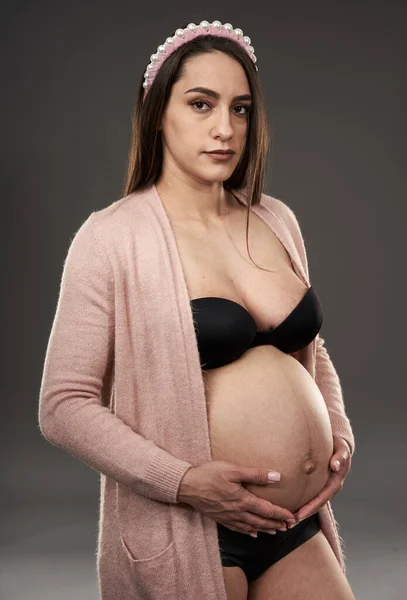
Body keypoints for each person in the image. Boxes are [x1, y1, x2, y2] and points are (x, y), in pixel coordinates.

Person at [38, 19, 356, 600]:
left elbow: (308, 349)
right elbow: (63, 405)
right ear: (158, 112)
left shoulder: (275, 220)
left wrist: (338, 431)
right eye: (201, 104)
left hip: (291, 525)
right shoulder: (111, 238)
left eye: (239, 109)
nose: (224, 129)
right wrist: (183, 482)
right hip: (193, 527)